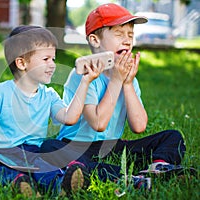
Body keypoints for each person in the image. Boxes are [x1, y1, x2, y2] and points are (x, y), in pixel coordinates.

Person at [41, 3, 187, 188]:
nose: (127, 40)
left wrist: (127, 83)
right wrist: (116, 81)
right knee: (50, 148)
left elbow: (139, 126)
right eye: (119, 34)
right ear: (95, 40)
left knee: (172, 137)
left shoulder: (128, 79)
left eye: (130, 35)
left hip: (111, 146)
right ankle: (122, 176)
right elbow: (98, 124)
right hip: (77, 146)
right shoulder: (83, 74)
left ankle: (158, 168)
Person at [0, 25, 102, 197]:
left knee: (45, 165)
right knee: (0, 170)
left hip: (34, 152)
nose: (53, 65)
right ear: (22, 63)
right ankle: (20, 184)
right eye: (46, 59)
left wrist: (85, 82)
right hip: (2, 153)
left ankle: (61, 185)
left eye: (53, 59)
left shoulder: (49, 95)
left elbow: (69, 117)